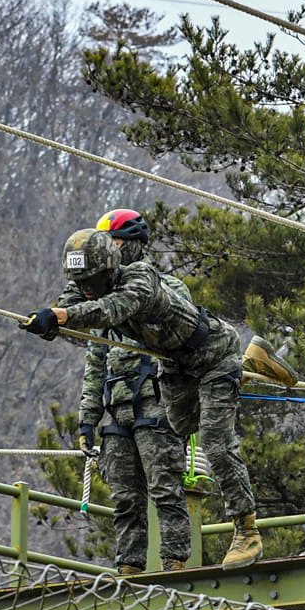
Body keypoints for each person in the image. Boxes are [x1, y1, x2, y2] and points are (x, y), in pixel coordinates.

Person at [20, 228, 263, 569]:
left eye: (92, 279)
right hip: (175, 366)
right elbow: (72, 310)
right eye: (81, 281)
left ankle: (246, 532)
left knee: (215, 443)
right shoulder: (85, 286)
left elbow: (109, 310)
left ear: (109, 269)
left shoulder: (141, 279)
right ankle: (129, 567)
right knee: (181, 427)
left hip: (213, 356)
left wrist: (60, 317)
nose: (86, 287)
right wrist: (48, 321)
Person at [82, 208, 192, 575]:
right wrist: (88, 419)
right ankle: (129, 568)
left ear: (133, 245)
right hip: (117, 409)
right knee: (125, 498)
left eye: (114, 242)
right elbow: (95, 361)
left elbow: (182, 339)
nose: (109, 250)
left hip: (156, 403)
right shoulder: (103, 301)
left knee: (165, 489)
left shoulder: (167, 288)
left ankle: (175, 562)